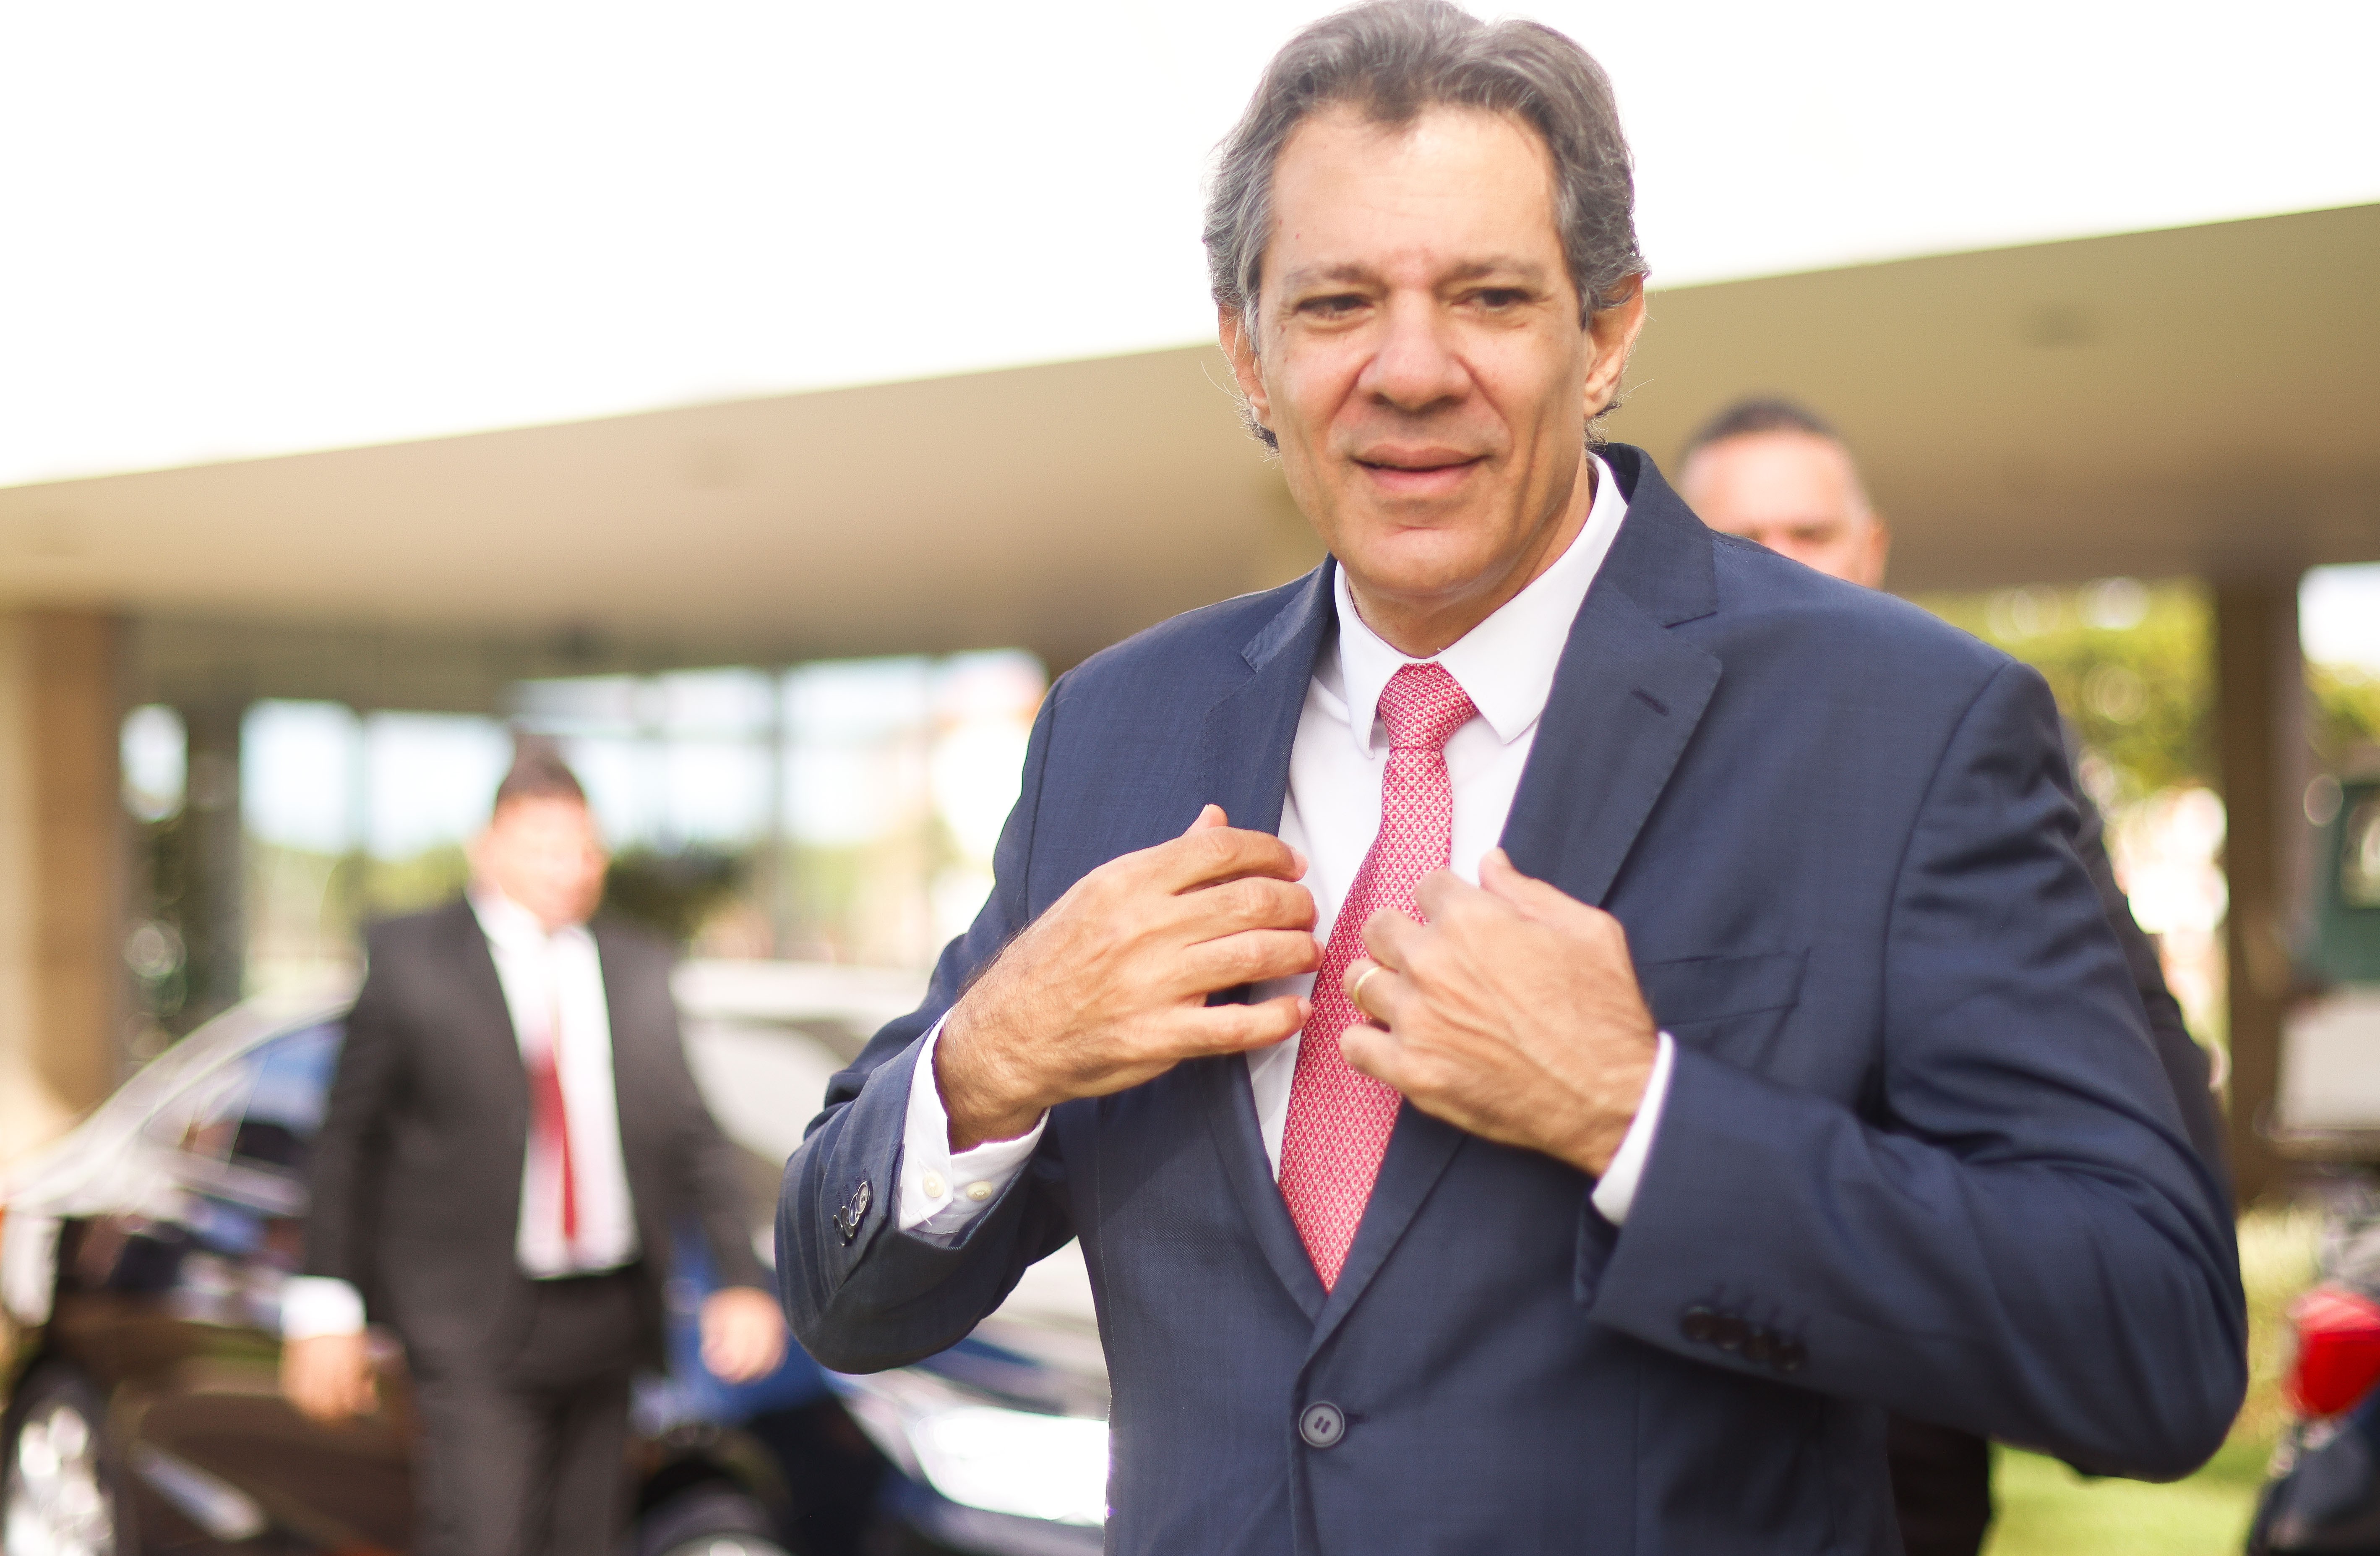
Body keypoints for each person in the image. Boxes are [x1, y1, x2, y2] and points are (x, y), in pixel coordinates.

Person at [779, 4, 2246, 1550]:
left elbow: (2150, 1343)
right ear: (1248, 352)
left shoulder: (1904, 725)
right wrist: (992, 1055)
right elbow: (838, 1285)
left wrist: (1640, 1113)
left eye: (1487, 295)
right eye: (1336, 302)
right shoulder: (1116, 730)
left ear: (1605, 333)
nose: (1410, 370)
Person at [1676, 394, 2230, 1556]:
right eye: (1742, 539)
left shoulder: (1971, 753)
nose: (1781, 565)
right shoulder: (1616, 762)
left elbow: (2137, 1058)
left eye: (1808, 533)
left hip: (1903, 1442)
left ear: (1870, 548)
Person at [283, 746, 786, 1556]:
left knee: (588, 1539)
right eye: (544, 848)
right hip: (470, 1317)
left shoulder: (637, 966)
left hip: (610, 1314)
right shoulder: (412, 962)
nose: (568, 869)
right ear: (488, 848)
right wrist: (325, 1303)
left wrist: (739, 1279)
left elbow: (691, 1132)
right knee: (487, 1538)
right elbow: (349, 1143)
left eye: (584, 849)